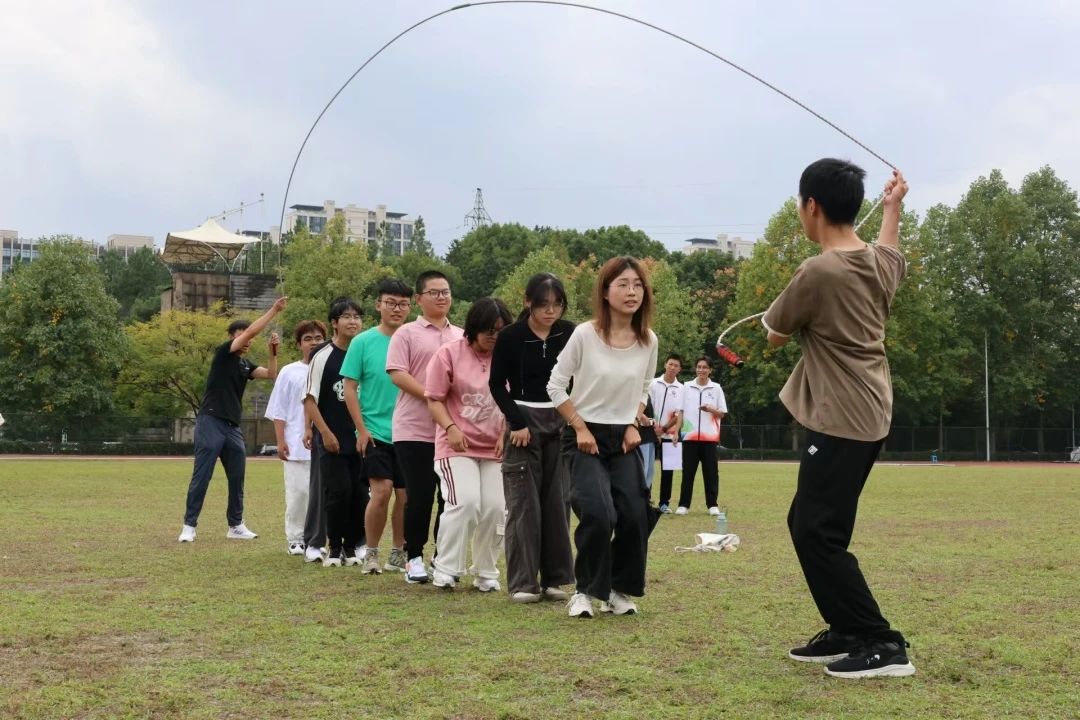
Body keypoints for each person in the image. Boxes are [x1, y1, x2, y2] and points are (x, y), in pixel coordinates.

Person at [764, 160, 915, 678]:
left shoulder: (817, 271)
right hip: (868, 411)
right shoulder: (879, 263)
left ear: (811, 206)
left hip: (841, 417)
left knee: (816, 532)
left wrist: (786, 318)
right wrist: (893, 207)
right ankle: (847, 629)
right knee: (811, 524)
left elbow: (775, 335)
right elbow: (889, 246)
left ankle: (882, 642)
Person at [548, 256, 658, 618]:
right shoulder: (584, 334)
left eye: (637, 285)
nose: (631, 292)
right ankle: (584, 591)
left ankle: (616, 589)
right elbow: (555, 386)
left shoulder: (648, 340)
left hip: (624, 436)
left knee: (635, 514)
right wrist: (579, 427)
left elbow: (644, 386)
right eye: (622, 284)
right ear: (606, 292)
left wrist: (633, 423)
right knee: (598, 513)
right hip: (584, 436)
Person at [489, 273, 575, 603]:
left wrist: (574, 418)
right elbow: (497, 384)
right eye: (543, 305)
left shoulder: (570, 333)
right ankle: (524, 582)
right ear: (528, 302)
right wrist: (516, 422)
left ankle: (555, 579)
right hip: (523, 422)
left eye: (557, 304)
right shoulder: (511, 336)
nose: (550, 311)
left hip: (561, 419)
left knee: (557, 502)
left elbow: (581, 376)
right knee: (524, 505)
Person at [178, 296, 287, 543]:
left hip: (232, 427)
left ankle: (235, 525)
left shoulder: (245, 365)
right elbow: (251, 332)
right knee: (202, 474)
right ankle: (189, 526)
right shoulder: (223, 353)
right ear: (232, 338)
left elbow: (271, 374)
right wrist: (274, 310)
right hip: (211, 421)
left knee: (237, 476)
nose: (247, 341)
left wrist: (273, 352)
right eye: (242, 337)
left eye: (249, 339)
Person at [426, 298, 513, 592]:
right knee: (465, 503)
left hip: (495, 447)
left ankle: (486, 570)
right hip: (457, 446)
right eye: (489, 330)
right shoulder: (449, 354)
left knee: (496, 508)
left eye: (501, 331)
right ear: (474, 327)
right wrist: (450, 428)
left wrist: (505, 434)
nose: (494, 336)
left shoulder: (508, 357)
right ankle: (446, 567)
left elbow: (515, 400)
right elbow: (434, 399)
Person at [386, 271, 464, 584]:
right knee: (419, 496)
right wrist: (434, 395)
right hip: (414, 429)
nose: (441, 297)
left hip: (451, 430)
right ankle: (413, 557)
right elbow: (398, 374)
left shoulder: (461, 336)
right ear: (419, 298)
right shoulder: (406, 333)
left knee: (450, 498)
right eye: (434, 292)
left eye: (446, 292)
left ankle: (443, 557)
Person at [341, 279, 413, 575]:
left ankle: (398, 552)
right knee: (381, 492)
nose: (397, 309)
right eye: (391, 303)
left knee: (406, 497)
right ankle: (371, 552)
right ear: (378, 305)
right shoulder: (362, 342)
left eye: (403, 304)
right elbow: (349, 388)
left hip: (410, 431)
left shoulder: (414, 338)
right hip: (375, 432)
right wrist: (361, 429)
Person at [303, 298, 366, 568]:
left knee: (359, 494)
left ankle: (352, 548)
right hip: (332, 439)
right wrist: (324, 433)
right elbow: (309, 399)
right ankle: (334, 547)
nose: (353, 321)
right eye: (347, 317)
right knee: (338, 493)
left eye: (357, 317)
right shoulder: (322, 355)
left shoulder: (364, 351)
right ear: (334, 323)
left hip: (362, 438)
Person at [264, 319, 326, 555]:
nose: (313, 343)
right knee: (298, 493)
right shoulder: (289, 372)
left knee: (322, 495)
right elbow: (278, 409)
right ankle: (296, 538)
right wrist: (281, 441)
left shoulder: (332, 368)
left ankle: (319, 539)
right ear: (299, 344)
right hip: (296, 443)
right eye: (308, 339)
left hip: (327, 442)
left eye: (318, 338)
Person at [674, 356, 727, 516]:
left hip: (710, 438)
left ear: (710, 370)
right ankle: (683, 505)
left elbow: (722, 413)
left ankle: (712, 505)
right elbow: (680, 412)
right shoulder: (686, 387)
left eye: (704, 367)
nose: (701, 370)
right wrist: (676, 432)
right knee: (688, 472)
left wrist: (710, 409)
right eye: (699, 367)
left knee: (711, 472)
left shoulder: (716, 388)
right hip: (689, 437)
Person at [646, 354, 684, 513]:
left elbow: (679, 413)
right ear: (665, 365)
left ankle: (664, 504)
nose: (672, 367)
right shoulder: (653, 383)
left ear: (680, 369)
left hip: (669, 435)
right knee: (646, 468)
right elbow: (646, 406)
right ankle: (645, 501)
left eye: (676, 365)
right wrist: (654, 428)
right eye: (670, 364)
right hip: (649, 432)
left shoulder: (681, 389)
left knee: (668, 470)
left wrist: (664, 429)